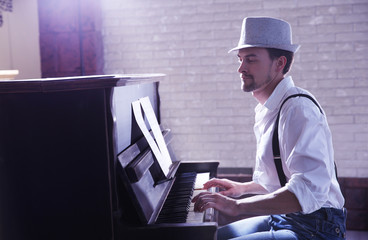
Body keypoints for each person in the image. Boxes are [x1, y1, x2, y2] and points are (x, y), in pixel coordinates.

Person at [192, 17, 347, 240]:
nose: (241, 68)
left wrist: (237, 207)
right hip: (286, 216)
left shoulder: (298, 109)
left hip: (316, 227)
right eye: (240, 59)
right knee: (209, 237)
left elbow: (308, 191)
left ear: (279, 63)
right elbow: (281, 181)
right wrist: (242, 189)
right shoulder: (269, 108)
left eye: (251, 60)